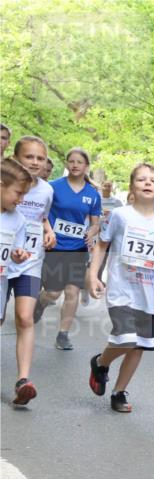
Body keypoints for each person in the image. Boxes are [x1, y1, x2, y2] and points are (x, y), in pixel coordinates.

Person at [85, 163, 154, 412]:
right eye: (141, 180)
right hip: (120, 289)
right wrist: (93, 274)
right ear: (132, 186)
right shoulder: (120, 215)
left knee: (139, 345)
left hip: (146, 293)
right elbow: (101, 245)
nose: (147, 183)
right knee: (127, 338)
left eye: (153, 180)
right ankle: (100, 362)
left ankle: (119, 391)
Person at [34, 147, 102, 350]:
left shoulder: (92, 194)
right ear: (66, 164)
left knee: (72, 292)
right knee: (54, 293)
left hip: (78, 249)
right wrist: (47, 231)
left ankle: (63, 334)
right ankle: (41, 302)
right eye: (71, 161)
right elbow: (41, 213)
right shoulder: (53, 187)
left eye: (79, 162)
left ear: (86, 166)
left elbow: (96, 223)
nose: (74, 165)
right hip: (55, 247)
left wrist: (92, 231)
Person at [6, 137, 56, 405]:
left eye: (40, 158)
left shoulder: (46, 190)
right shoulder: (5, 183)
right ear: (16, 158)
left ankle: (23, 380)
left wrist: (49, 231)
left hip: (30, 262)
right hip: (3, 262)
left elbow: (42, 216)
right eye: (29, 157)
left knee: (25, 317)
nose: (35, 162)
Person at [1, 158, 32, 327]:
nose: (21, 200)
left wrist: (18, 255)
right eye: (18, 193)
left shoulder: (18, 219)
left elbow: (16, 250)